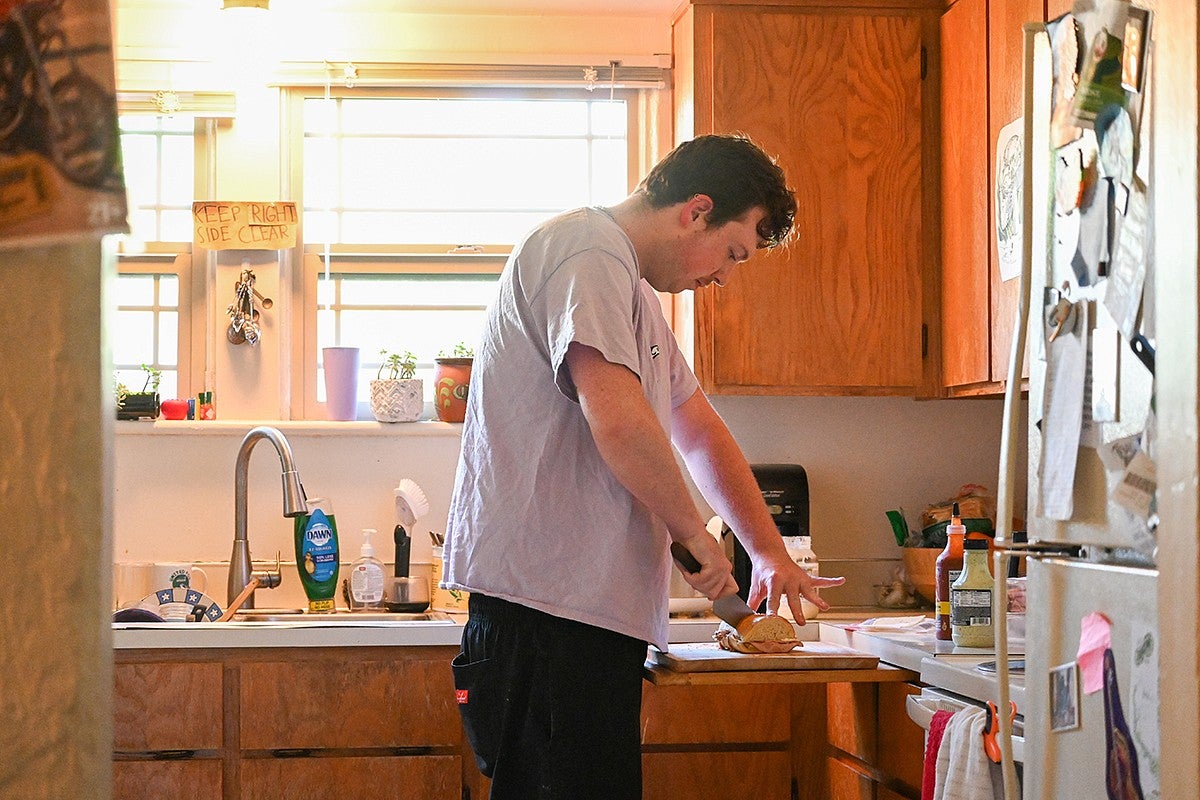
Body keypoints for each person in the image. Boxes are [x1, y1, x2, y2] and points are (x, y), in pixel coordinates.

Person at [443, 134, 845, 799]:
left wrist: (767, 553)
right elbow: (622, 423)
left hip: (579, 625)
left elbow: (700, 432)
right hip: (546, 624)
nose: (724, 276)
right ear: (697, 211)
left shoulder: (631, 292)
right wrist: (693, 537)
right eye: (732, 252)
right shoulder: (586, 250)